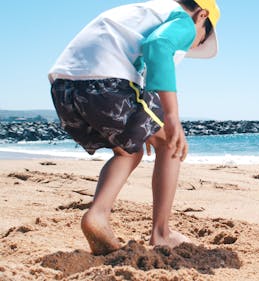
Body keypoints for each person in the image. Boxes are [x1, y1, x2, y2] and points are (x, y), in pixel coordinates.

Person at [48, 0, 220, 255]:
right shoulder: (184, 19)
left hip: (64, 90)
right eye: (202, 37)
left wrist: (144, 122)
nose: (196, 44)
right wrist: (171, 116)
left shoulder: (139, 13)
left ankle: (98, 216)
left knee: (128, 152)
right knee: (170, 143)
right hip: (107, 82)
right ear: (201, 15)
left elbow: (136, 62)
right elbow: (158, 46)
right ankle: (161, 233)